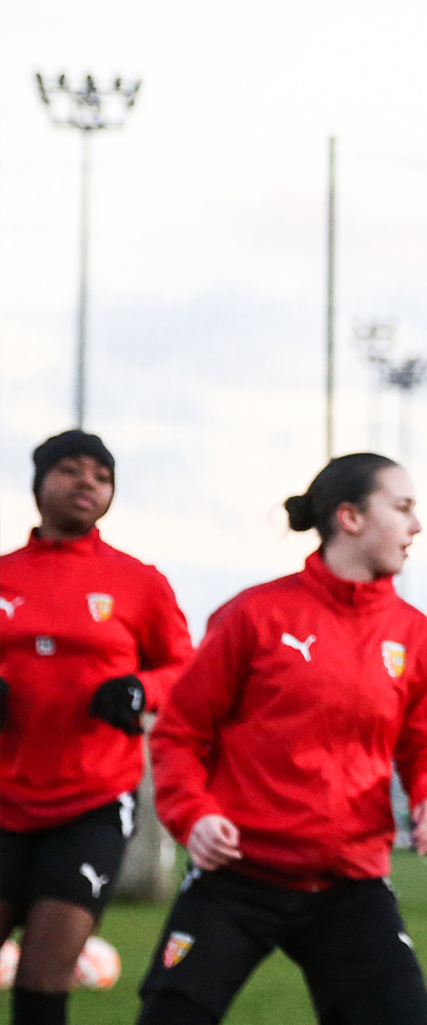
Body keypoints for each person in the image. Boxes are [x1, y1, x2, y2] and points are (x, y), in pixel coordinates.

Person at [137, 454, 427, 1025]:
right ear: (351, 518)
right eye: (403, 508)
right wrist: (195, 816)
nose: (417, 527)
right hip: (237, 873)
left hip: (350, 884)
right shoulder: (253, 615)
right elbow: (180, 734)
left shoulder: (416, 636)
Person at [0, 431, 194, 1025]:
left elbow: (184, 666)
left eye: (101, 475)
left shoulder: (138, 581)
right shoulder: (5, 573)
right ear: (38, 485)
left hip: (91, 801)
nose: (87, 482)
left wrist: (142, 689)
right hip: (2, 798)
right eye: (70, 469)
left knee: (42, 974)